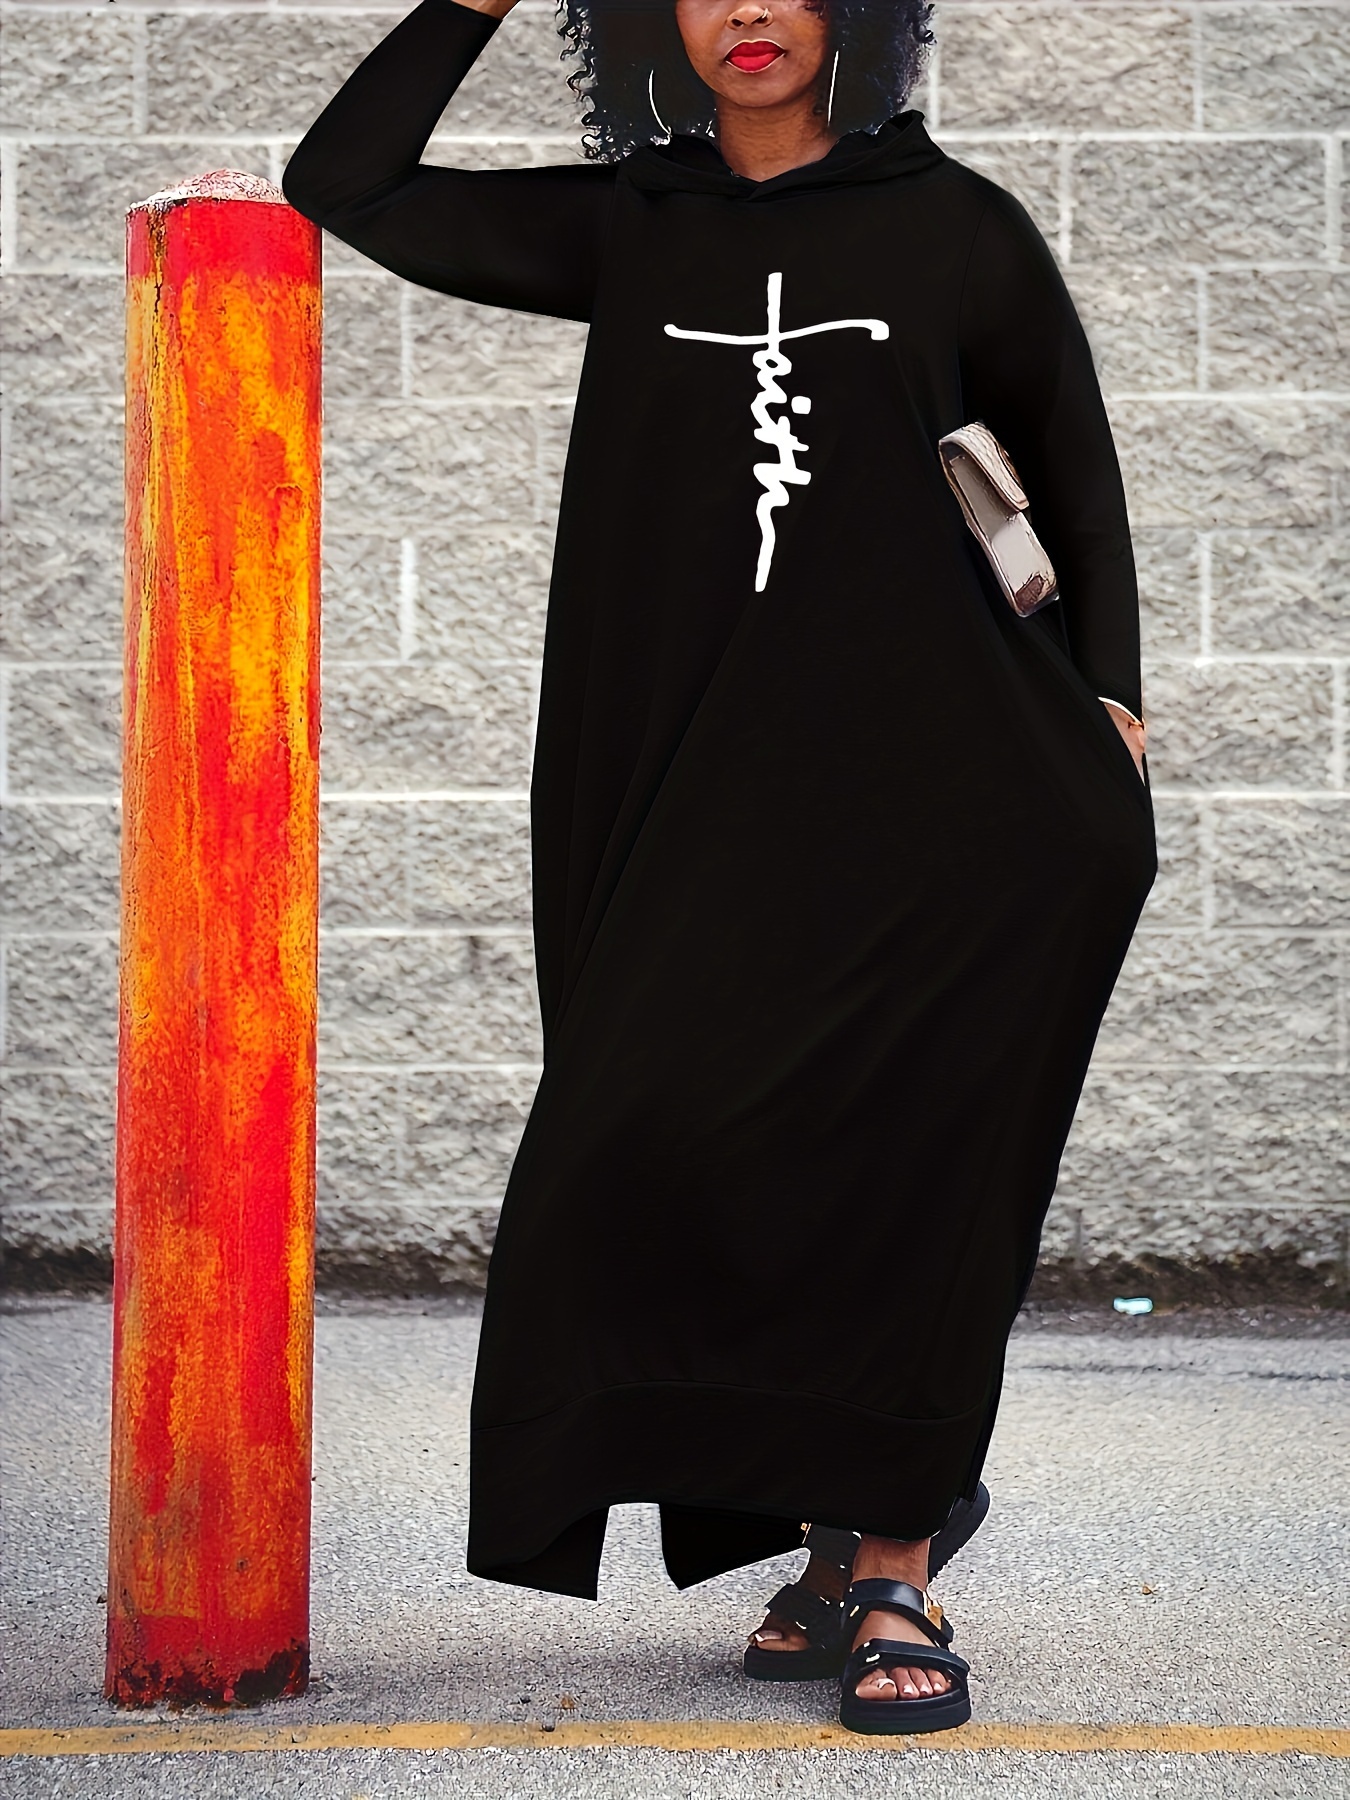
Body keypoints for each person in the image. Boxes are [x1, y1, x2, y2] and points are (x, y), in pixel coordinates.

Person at [284, 0, 1156, 1735]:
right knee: (656, 1141)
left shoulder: (955, 224)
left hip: (944, 793)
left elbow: (1065, 458)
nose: (748, 8)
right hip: (693, 797)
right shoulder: (631, 225)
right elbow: (346, 184)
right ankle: (831, 1516)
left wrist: (1110, 701)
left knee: (913, 1169)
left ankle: (887, 1561)